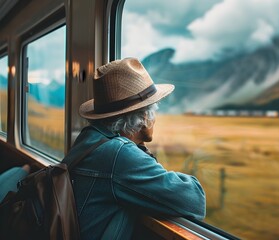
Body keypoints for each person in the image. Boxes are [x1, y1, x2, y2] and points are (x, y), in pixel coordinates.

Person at [62, 58, 206, 239]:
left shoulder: (90, 138)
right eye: (154, 112)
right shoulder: (119, 155)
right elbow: (194, 200)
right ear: (145, 117)